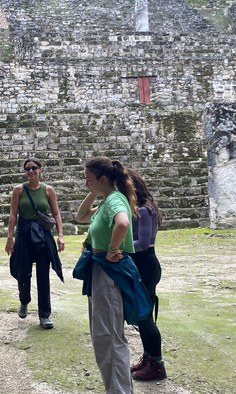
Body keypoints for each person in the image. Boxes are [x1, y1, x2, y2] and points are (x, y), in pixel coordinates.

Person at [74, 157, 139, 394]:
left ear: (103, 179)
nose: (86, 184)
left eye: (89, 180)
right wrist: (93, 192)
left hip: (108, 272)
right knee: (104, 338)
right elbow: (81, 216)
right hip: (100, 271)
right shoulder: (106, 201)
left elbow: (122, 223)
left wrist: (112, 249)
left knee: (109, 339)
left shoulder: (114, 200)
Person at [6, 157, 65, 329]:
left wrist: (60, 235)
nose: (30, 171)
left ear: (40, 169)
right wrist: (10, 238)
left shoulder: (48, 190)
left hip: (42, 234)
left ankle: (44, 315)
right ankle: (24, 301)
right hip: (24, 233)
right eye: (27, 168)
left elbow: (56, 213)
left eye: (34, 168)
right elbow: (13, 214)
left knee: (43, 274)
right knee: (23, 270)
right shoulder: (19, 190)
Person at [127, 169, 167, 381]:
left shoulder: (144, 210)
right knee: (142, 316)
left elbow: (142, 244)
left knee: (145, 317)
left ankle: (157, 364)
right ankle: (149, 357)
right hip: (140, 265)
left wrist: (117, 246)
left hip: (146, 264)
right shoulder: (138, 209)